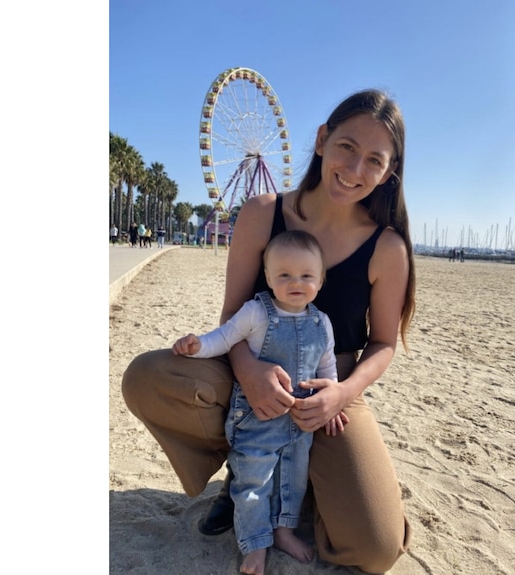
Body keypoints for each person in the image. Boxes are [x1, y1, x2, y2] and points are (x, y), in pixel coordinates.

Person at [122, 88, 416, 574]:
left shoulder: (387, 248)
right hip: (248, 367)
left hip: (328, 391)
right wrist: (250, 371)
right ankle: (243, 471)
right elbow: (231, 316)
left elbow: (382, 343)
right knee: (149, 376)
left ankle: (304, 492)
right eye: (346, 147)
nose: (355, 169)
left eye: (374, 160)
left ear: (389, 172)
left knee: (376, 548)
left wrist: (342, 394)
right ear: (322, 140)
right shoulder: (262, 213)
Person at [174, 230, 346, 574]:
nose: (295, 282)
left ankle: (282, 531)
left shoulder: (321, 323)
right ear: (268, 277)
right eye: (284, 275)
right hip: (256, 421)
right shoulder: (256, 313)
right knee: (253, 483)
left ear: (321, 280)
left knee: (292, 481)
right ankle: (256, 543)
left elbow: (327, 367)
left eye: (306, 276)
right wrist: (198, 346)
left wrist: (333, 400)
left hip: (300, 426)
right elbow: (223, 338)